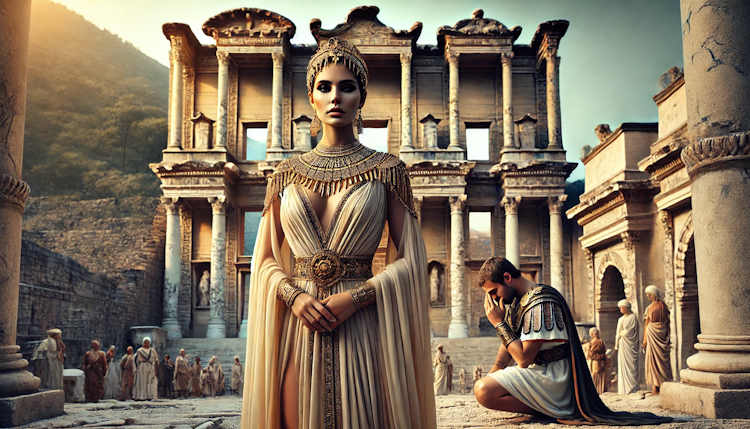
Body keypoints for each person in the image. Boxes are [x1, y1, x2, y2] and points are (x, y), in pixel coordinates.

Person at [240, 37, 435, 429]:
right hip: (300, 325)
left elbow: (413, 262)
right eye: (324, 87)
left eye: (347, 87)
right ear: (310, 97)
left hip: (361, 325)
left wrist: (357, 297)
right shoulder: (285, 174)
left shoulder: (387, 169)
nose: (335, 97)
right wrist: (293, 296)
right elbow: (262, 262)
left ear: (361, 97)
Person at [472, 257, 671, 424]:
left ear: (507, 278)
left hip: (555, 378)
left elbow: (523, 358)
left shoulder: (541, 302)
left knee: (483, 391)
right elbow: (504, 353)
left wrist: (498, 323)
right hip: (539, 374)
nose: (494, 300)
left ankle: (549, 409)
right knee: (482, 388)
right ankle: (543, 407)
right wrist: (491, 376)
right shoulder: (519, 301)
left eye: (493, 292)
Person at [643, 285, 672, 394]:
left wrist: (645, 339)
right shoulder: (664, 306)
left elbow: (647, 324)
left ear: (654, 294)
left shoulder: (651, 308)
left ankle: (657, 386)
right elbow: (667, 322)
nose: (648, 296)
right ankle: (657, 386)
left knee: (654, 361)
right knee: (657, 361)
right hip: (660, 335)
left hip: (653, 335)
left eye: (649, 294)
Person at [614, 299, 639, 394]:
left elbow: (631, 331)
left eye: (622, 307)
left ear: (626, 308)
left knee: (632, 365)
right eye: (620, 307)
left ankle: (632, 387)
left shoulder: (633, 317)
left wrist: (623, 333)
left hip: (630, 345)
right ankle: (623, 389)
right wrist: (616, 344)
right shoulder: (620, 319)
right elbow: (618, 333)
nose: (620, 309)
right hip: (623, 345)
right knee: (623, 365)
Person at [586, 328, 607, 394]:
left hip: (595, 361)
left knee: (595, 375)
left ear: (592, 334)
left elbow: (591, 353)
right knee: (598, 375)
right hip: (600, 361)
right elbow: (604, 351)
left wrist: (589, 354)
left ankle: (596, 390)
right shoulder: (601, 341)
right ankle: (600, 390)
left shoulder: (594, 342)